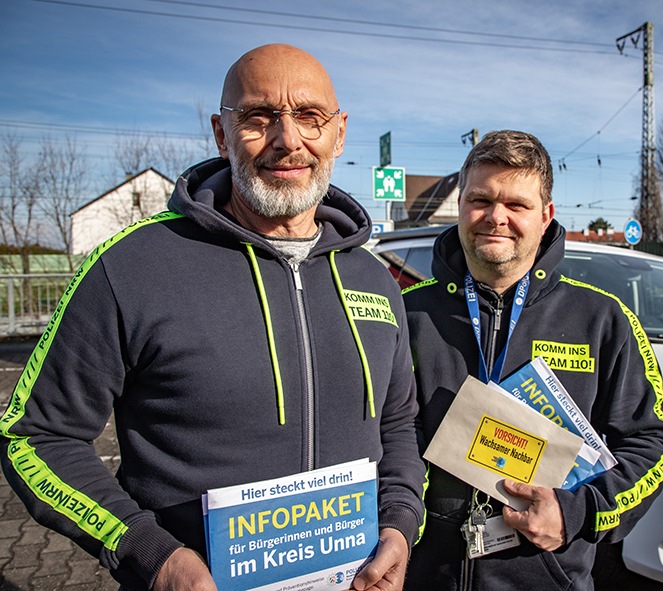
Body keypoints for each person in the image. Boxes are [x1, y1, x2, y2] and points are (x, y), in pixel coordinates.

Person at [0, 44, 424, 591]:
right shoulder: (130, 266)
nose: (287, 139)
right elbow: (35, 437)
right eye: (257, 117)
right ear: (222, 135)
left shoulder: (372, 278)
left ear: (339, 134)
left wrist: (398, 525)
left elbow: (398, 424)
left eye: (309, 117)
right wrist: (152, 556)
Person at [402, 130, 663, 590]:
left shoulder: (602, 320)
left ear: (546, 215)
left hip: (548, 578)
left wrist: (579, 512)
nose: (496, 217)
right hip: (421, 577)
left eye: (517, 204)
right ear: (461, 206)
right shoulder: (406, 313)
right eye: (480, 200)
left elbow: (658, 443)